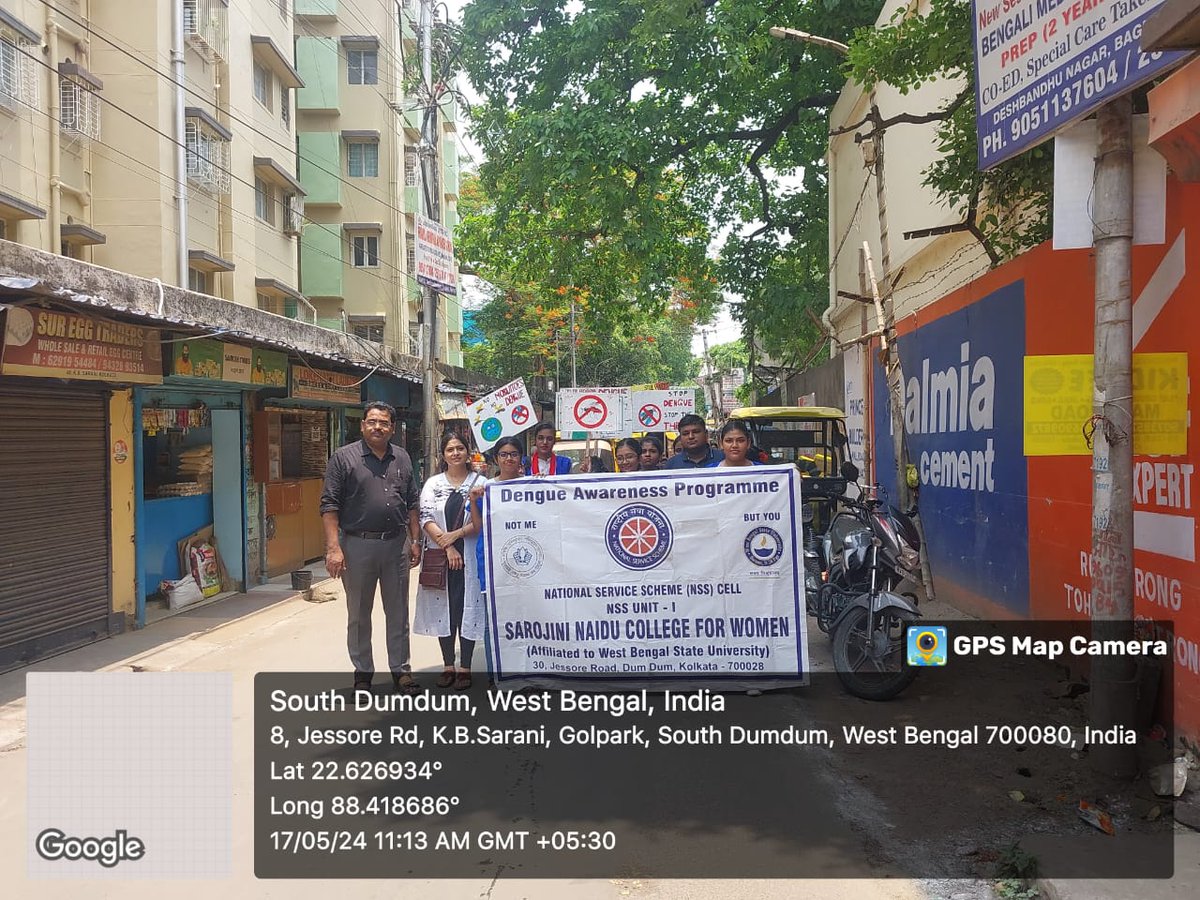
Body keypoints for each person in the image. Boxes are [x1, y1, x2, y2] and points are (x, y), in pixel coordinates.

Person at [320, 401, 422, 694]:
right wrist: (333, 548)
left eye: (384, 422)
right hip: (357, 546)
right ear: (363, 424)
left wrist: (414, 541)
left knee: (398, 612)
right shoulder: (343, 458)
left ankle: (401, 672)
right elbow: (329, 505)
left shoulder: (401, 457)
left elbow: (412, 502)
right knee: (359, 614)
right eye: (372, 421)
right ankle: (362, 674)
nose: (378, 427)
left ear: (391, 427)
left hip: (396, 546)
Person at [415, 432, 485, 690]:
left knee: (468, 608)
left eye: (460, 448)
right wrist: (448, 548)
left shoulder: (480, 483)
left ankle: (465, 666)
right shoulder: (433, 484)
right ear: (443, 455)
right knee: (443, 609)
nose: (455, 453)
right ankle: (448, 665)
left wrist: (456, 536)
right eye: (450, 449)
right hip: (440, 557)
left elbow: (483, 520)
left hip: (471, 556)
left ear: (468, 452)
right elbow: (424, 518)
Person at [474, 435, 524, 680]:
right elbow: (475, 526)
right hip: (492, 564)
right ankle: (497, 676)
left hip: (526, 566)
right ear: (496, 458)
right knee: (491, 622)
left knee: (526, 619)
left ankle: (526, 674)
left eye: (513, 453)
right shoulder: (486, 490)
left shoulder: (531, 487)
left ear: (520, 457)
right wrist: (474, 500)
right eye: (503, 454)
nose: (509, 458)